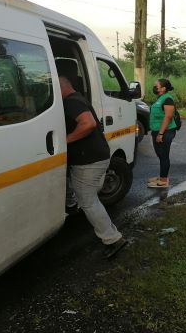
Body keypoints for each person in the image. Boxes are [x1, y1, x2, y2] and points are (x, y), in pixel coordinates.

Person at [59, 76, 127, 258]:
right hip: (95, 157)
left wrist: (64, 141)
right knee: (86, 196)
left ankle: (113, 239)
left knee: (88, 201)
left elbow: (88, 124)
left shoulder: (70, 102)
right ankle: (72, 204)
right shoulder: (79, 98)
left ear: (61, 86)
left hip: (89, 161)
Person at [147, 78, 177, 189]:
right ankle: (161, 177)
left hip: (165, 131)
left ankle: (164, 180)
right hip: (157, 131)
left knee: (164, 155)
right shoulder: (160, 98)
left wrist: (160, 134)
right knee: (160, 155)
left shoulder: (167, 99)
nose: (154, 87)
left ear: (163, 88)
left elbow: (168, 117)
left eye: (156, 85)